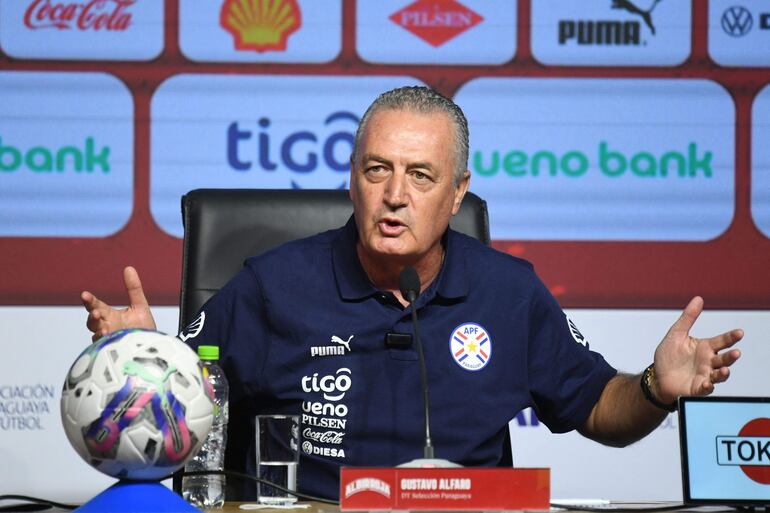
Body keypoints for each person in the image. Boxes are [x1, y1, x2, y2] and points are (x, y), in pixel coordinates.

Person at [81, 86, 743, 500]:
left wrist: (655, 385)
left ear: (457, 193)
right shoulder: (271, 286)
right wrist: (140, 359)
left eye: (421, 175)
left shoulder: (509, 292)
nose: (395, 194)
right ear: (352, 179)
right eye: (378, 169)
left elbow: (598, 404)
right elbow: (181, 398)